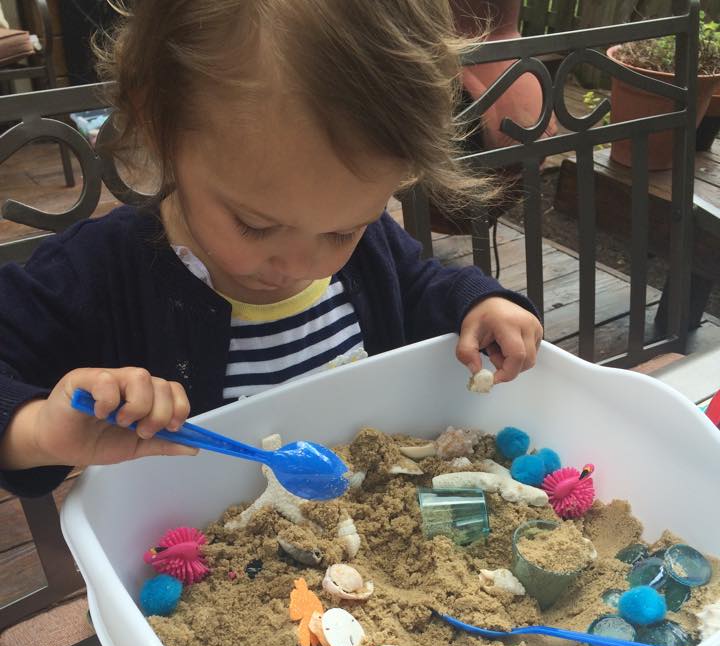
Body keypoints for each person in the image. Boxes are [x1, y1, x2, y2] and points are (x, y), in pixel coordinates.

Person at [0, 0, 543, 499]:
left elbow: (421, 284)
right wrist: (40, 431)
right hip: (193, 555)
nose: (305, 265)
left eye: (342, 231)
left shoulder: (370, 246)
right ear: (159, 123)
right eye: (256, 227)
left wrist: (480, 304)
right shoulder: (96, 273)